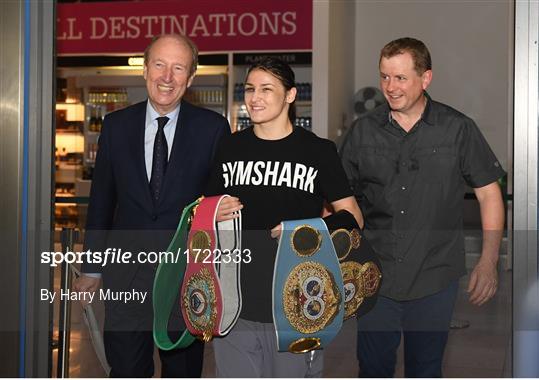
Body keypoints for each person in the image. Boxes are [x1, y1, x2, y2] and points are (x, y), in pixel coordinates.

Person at [339, 37, 505, 377]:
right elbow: (341, 200)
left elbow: (489, 194)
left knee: (425, 370)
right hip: (374, 277)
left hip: (434, 278)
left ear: (426, 78)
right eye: (384, 76)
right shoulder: (362, 132)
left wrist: (488, 262)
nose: (390, 87)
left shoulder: (457, 129)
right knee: (372, 369)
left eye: (400, 78)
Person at [73, 34, 230, 377]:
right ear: (145, 70)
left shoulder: (213, 129)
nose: (167, 77)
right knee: (127, 368)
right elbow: (102, 201)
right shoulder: (116, 127)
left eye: (178, 68)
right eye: (159, 65)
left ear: (190, 79)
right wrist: (91, 268)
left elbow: (218, 208)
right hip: (126, 275)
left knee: (182, 370)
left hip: (185, 277)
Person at [205, 57, 363, 377]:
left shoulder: (318, 151)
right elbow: (203, 213)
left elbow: (353, 217)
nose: (255, 98)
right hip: (236, 303)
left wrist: (303, 230)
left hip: (297, 303)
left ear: (290, 96)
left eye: (266, 89)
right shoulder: (228, 148)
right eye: (249, 89)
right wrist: (208, 210)